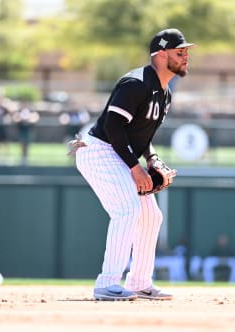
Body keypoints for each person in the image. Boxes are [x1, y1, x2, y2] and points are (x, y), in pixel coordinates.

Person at [70, 28, 194, 301]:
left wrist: (150, 159)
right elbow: (114, 126)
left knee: (151, 216)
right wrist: (135, 168)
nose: (186, 57)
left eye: (186, 52)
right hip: (98, 150)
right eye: (179, 52)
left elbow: (140, 135)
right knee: (127, 209)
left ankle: (139, 282)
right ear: (161, 55)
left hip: (118, 151)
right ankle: (107, 283)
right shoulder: (135, 83)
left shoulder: (165, 95)